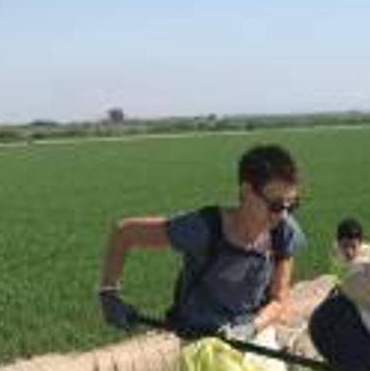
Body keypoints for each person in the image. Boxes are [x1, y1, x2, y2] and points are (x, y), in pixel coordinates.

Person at [97, 144, 305, 343]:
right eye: (276, 205)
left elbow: (279, 299)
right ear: (246, 192)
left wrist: (251, 328)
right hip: (199, 342)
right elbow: (124, 232)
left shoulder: (283, 233)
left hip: (253, 337)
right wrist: (108, 293)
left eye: (292, 205)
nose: (283, 215)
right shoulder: (204, 228)